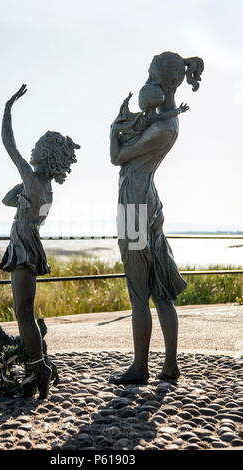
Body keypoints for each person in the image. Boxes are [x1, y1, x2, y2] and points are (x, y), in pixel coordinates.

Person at [109, 52, 204, 385]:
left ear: (161, 81)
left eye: (150, 74)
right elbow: (156, 111)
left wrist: (114, 127)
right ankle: (169, 365)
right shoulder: (167, 117)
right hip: (150, 204)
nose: (146, 78)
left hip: (134, 208)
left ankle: (139, 367)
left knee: (140, 291)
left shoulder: (162, 127)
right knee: (161, 288)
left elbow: (117, 156)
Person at [0, 84, 80, 398]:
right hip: (29, 240)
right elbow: (10, 201)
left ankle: (39, 368)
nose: (30, 152)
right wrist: (19, 192)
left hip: (23, 244)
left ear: (42, 154)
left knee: (23, 312)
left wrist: (7, 109)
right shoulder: (45, 188)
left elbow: (9, 146)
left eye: (36, 149)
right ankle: (38, 367)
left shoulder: (33, 180)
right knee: (24, 311)